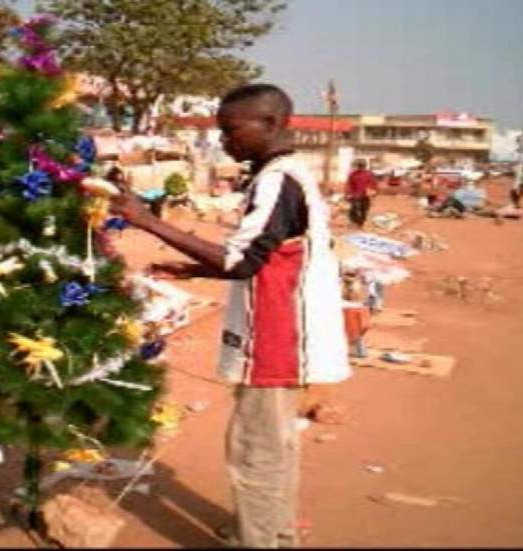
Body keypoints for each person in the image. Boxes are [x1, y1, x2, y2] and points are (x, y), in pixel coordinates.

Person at [110, 84, 350, 548]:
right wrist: (195, 267)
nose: (224, 140)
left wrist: (147, 220)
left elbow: (242, 261)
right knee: (273, 448)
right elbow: (265, 257)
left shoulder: (278, 179)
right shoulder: (284, 175)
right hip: (283, 329)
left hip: (276, 336)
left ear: (272, 124)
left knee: (256, 452)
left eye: (232, 130)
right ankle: (271, 533)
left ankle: (257, 540)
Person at [345, 159, 377, 227]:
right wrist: (348, 194)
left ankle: (360, 223)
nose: (360, 167)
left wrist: (372, 192)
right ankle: (354, 221)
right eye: (359, 166)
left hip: (365, 195)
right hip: (355, 195)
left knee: (364, 210)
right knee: (355, 208)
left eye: (361, 166)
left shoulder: (369, 174)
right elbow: (349, 185)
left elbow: (373, 184)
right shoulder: (353, 174)